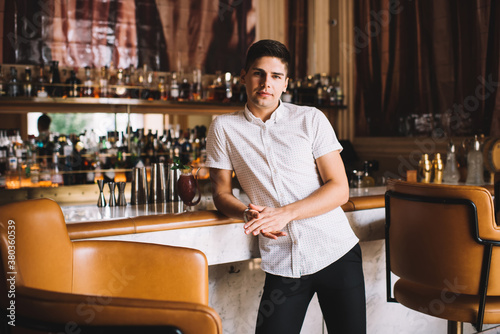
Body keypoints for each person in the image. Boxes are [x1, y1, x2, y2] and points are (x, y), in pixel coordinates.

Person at [205, 39, 366, 334]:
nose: (266, 83)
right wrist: (246, 214)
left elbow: (339, 188)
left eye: (276, 76)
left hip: (337, 253)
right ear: (244, 76)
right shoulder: (223, 128)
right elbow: (221, 193)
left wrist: (286, 214)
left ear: (286, 82)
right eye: (258, 73)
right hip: (282, 261)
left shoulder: (311, 119)